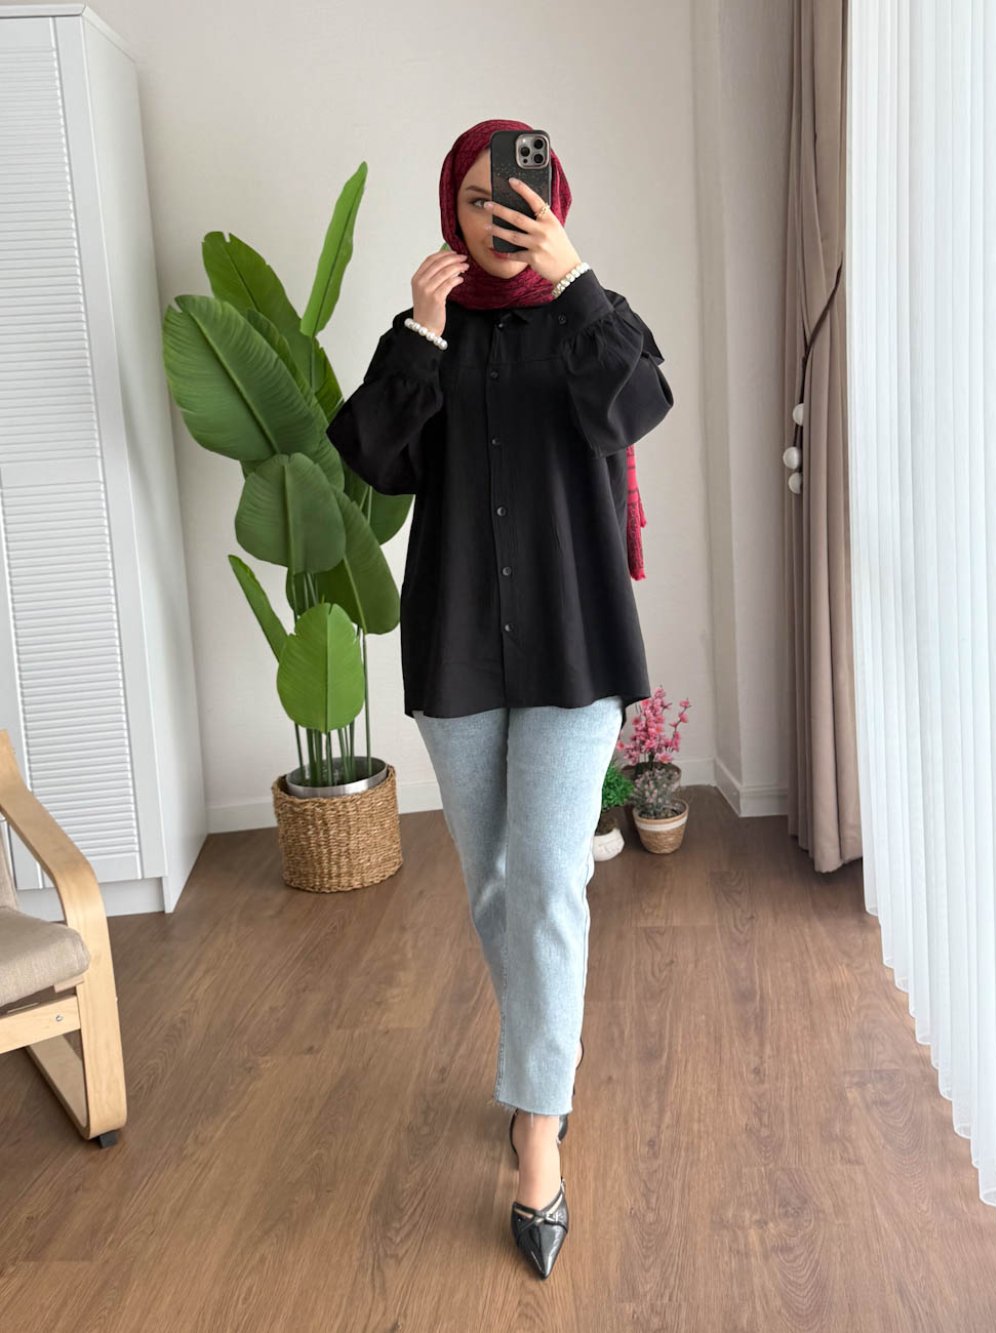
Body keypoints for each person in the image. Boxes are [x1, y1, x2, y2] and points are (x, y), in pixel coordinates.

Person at [325, 118, 674, 1279]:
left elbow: (634, 408)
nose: (499, 216)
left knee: (548, 882)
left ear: (553, 202)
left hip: (574, 647)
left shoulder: (595, 318)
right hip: (460, 646)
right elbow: (374, 462)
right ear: (451, 212)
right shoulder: (431, 336)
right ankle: (546, 1070)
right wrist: (419, 335)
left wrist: (575, 285)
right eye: (477, 199)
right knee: (493, 887)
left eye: (518, 197)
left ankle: (536, 1137)